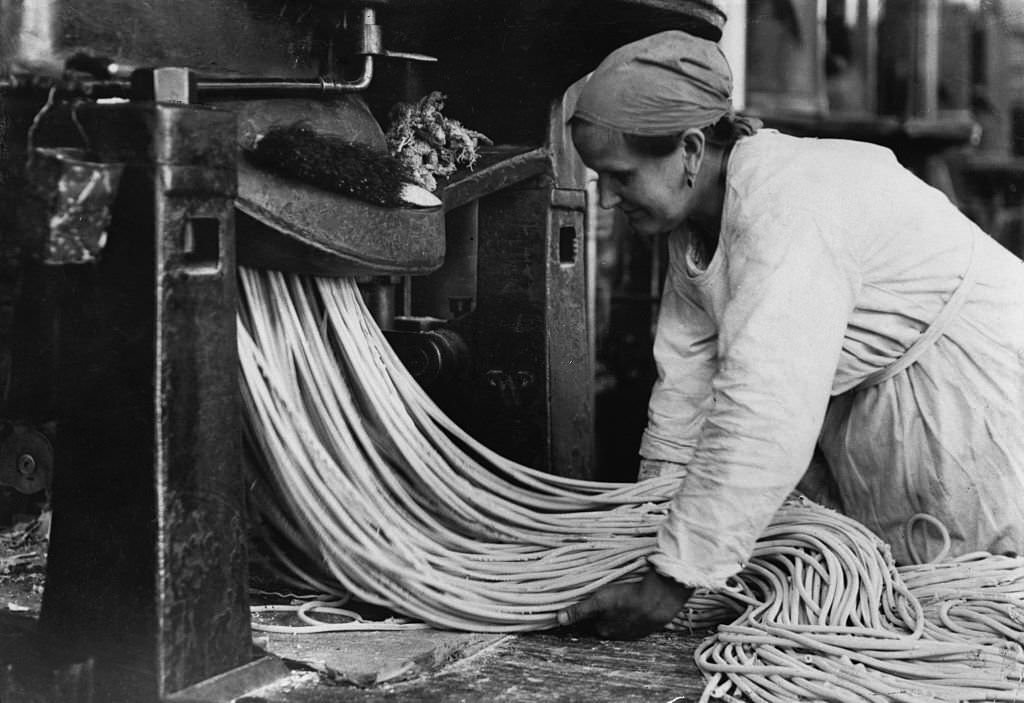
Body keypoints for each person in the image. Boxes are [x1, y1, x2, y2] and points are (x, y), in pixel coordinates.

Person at [555, 30, 1024, 640]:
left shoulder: (788, 206)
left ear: (691, 150)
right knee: (908, 606)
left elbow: (763, 405)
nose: (609, 199)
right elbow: (685, 394)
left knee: (975, 618)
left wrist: (671, 582)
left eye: (619, 176)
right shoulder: (698, 227)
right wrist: (646, 538)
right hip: (881, 401)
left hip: (969, 392)